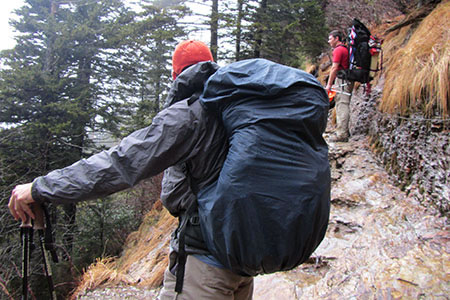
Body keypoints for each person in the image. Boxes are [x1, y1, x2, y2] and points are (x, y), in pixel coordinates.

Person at [8, 40, 254, 300]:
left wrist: (41, 188)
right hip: (243, 256)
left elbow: (120, 163)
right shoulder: (238, 111)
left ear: (176, 76)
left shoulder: (190, 116)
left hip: (205, 262)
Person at [325, 30, 354, 142]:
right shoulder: (344, 49)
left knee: (342, 104)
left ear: (337, 38)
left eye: (330, 38)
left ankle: (342, 134)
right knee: (342, 104)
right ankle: (343, 130)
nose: (329, 41)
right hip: (346, 80)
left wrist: (329, 84)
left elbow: (334, 68)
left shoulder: (338, 50)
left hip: (342, 80)